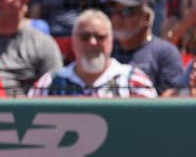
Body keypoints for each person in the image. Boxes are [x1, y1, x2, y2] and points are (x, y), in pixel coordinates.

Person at [29, 9, 157, 97]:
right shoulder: (48, 84)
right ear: (73, 41)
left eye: (100, 37)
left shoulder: (134, 82)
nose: (92, 42)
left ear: (111, 41)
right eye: (85, 37)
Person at [108, 0, 183, 94]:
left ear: (146, 18)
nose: (117, 18)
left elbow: (171, 100)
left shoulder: (165, 53)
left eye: (126, 12)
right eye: (114, 11)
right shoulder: (105, 49)